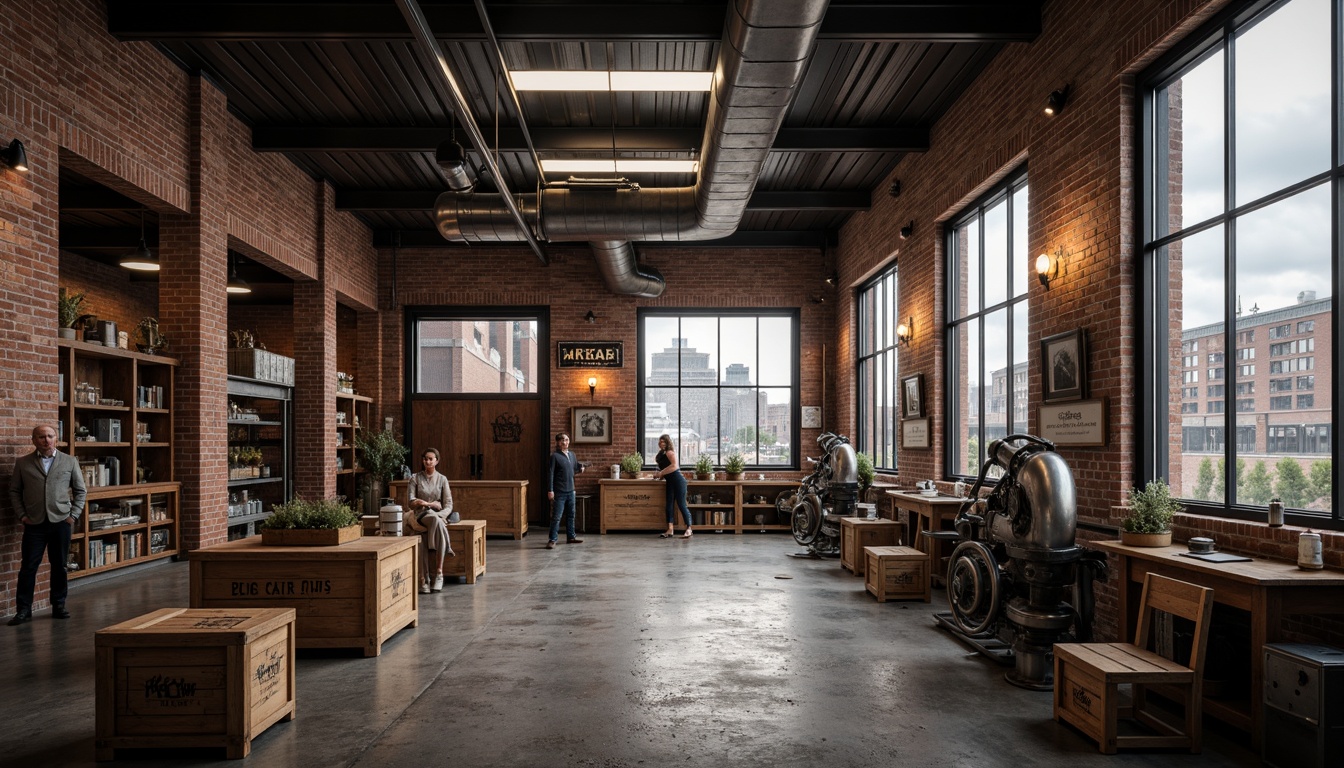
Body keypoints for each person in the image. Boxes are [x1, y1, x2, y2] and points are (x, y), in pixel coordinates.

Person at [8, 424, 86, 625]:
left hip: (61, 522)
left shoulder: (69, 461)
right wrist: (22, 515)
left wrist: (73, 516)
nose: (46, 440)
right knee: (28, 567)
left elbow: (81, 491)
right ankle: (23, 610)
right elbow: (14, 491)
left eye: (50, 436)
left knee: (59, 565)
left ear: (56, 439)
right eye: (41, 437)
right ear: (33, 440)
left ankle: (59, 605)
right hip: (34, 523)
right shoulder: (23, 463)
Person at [404, 448, 455, 594]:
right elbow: (411, 502)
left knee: (425, 535)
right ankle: (440, 572)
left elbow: (448, 505)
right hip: (420, 515)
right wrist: (428, 504)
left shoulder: (442, 479)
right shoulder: (415, 478)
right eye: (425, 458)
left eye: (431, 459)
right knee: (432, 517)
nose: (427, 461)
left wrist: (439, 513)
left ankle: (426, 579)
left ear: (437, 461)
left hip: (436, 517)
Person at [546, 433, 585, 549]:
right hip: (559, 492)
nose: (565, 442)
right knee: (557, 517)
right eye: (562, 440)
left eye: (567, 440)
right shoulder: (554, 456)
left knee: (571, 515)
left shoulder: (572, 455)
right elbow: (551, 474)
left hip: (571, 490)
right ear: (557, 442)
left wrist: (580, 470)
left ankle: (571, 537)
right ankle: (552, 540)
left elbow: (573, 471)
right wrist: (550, 490)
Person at [654, 434, 692, 539]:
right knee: (669, 505)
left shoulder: (670, 452)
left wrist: (661, 473)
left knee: (681, 504)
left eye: (663, 441)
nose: (660, 443)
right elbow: (664, 471)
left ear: (667, 442)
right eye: (659, 441)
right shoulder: (661, 454)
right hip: (670, 481)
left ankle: (689, 528)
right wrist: (659, 476)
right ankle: (670, 529)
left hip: (678, 481)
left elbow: (674, 466)